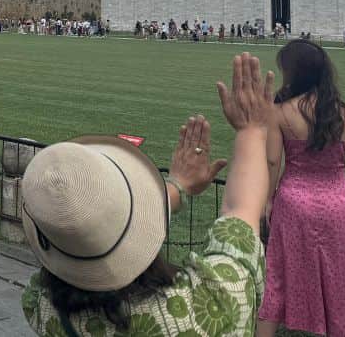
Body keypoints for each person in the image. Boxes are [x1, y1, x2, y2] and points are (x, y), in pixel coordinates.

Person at [21, 53, 272, 335]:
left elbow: (87, 228)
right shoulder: (207, 307)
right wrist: (252, 130)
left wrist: (177, 186)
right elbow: (243, 213)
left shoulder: (41, 308)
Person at [257, 40, 345, 336]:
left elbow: (272, 162)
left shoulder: (280, 112)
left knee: (278, 277)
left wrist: (267, 201)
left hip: (293, 202)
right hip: (338, 203)